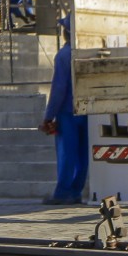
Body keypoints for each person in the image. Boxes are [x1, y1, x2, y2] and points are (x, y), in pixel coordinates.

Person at [40, 15, 88, 205]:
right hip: (86, 111)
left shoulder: (64, 55)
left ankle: (62, 192)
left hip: (67, 111)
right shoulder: (86, 53)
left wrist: (48, 116)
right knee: (82, 154)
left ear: (66, 32)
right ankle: (76, 191)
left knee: (67, 152)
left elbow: (59, 88)